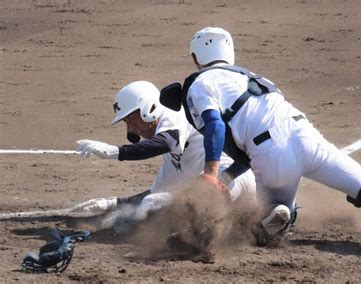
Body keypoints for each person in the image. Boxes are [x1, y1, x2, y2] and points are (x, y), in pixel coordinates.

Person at [161, 27, 361, 246]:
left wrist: (212, 174)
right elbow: (245, 144)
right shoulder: (250, 78)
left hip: (272, 155)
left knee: (263, 226)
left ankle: (279, 212)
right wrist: (226, 177)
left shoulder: (200, 84)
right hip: (305, 134)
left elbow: (215, 125)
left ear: (195, 58)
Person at [75, 80, 256, 231]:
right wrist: (113, 203)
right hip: (223, 192)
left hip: (231, 177)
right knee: (155, 202)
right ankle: (256, 225)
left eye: (131, 119)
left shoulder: (173, 115)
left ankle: (196, 237)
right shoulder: (173, 158)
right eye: (126, 122)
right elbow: (156, 191)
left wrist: (113, 152)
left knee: (152, 207)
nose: (131, 128)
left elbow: (165, 142)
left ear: (148, 108)